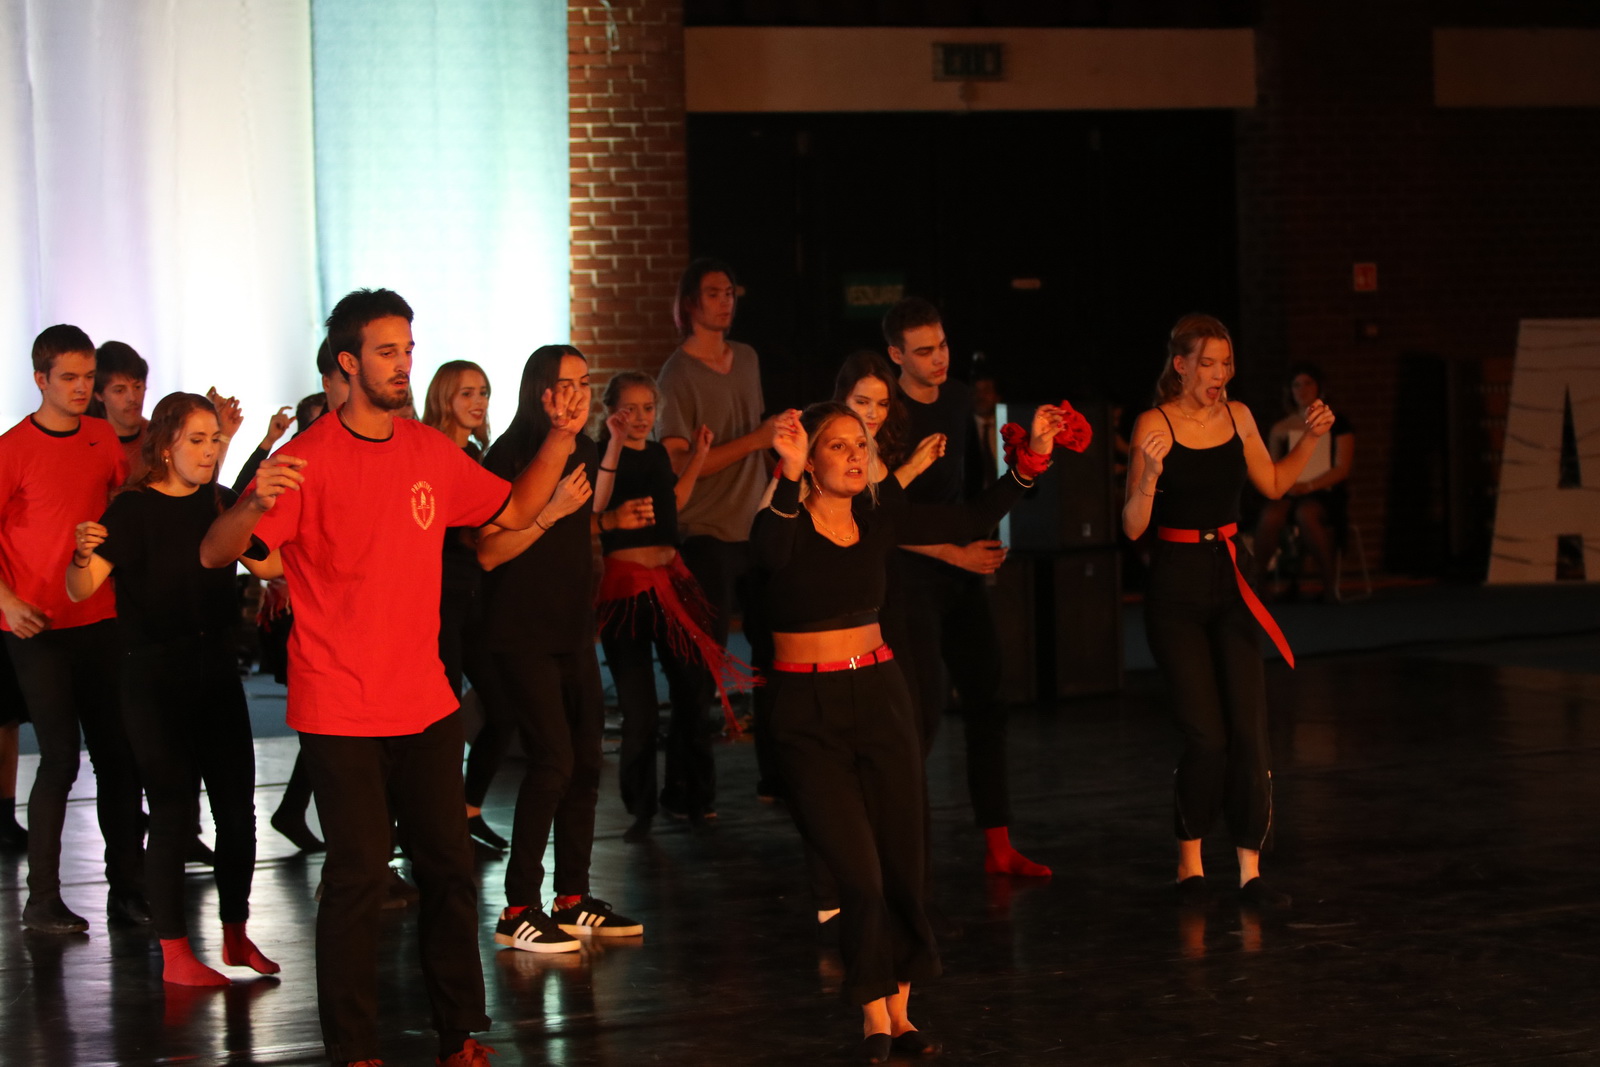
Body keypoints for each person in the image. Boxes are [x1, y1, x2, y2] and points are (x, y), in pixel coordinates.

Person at [200, 288, 580, 1067]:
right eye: (386, 351)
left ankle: (460, 1033)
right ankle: (354, 1047)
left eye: (407, 348)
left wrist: (560, 438)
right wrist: (253, 500)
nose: (403, 363)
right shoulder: (306, 458)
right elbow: (219, 551)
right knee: (358, 878)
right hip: (339, 704)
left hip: (425, 701)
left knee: (449, 871)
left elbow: (511, 513)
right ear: (348, 362)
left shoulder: (427, 450)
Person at [752, 399, 1063, 1062]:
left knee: (901, 863)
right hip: (806, 713)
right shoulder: (782, 517)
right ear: (810, 458)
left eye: (859, 444)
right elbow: (770, 553)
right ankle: (872, 1013)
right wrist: (788, 471)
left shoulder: (878, 514)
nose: (854, 453)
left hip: (880, 696)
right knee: (858, 874)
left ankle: (896, 1013)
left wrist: (1030, 461)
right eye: (837, 444)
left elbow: (968, 518)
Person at [67, 392, 283, 985]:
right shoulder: (132, 510)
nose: (210, 450)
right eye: (197, 440)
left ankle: (236, 933)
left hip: (216, 674)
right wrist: (81, 555)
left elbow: (267, 562)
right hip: (153, 678)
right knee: (171, 811)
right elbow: (80, 588)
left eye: (215, 440)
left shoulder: (218, 501)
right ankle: (175, 954)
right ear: (164, 446)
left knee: (237, 812)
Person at [1122, 314, 1334, 909]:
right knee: (1206, 736)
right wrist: (1150, 476)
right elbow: (1133, 525)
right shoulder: (1154, 423)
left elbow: (1273, 485)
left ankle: (1249, 869)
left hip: (1233, 579)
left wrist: (1310, 438)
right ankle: (1189, 860)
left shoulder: (1239, 416)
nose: (1220, 374)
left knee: (1249, 730)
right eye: (1208, 363)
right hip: (1176, 588)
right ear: (1181, 365)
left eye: (1227, 363)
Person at [476, 345, 650, 953]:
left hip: (572, 630)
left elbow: (587, 519)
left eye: (584, 382)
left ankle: (572, 898)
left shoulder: (581, 448)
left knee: (585, 761)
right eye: (566, 384)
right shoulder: (510, 454)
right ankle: (517, 907)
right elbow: (489, 551)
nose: (579, 394)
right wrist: (548, 513)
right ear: (541, 392)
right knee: (551, 761)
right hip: (519, 632)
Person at [883, 297, 1050, 878]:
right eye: (924, 351)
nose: (939, 359)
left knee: (989, 699)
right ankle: (900, 854)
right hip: (908, 576)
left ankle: (999, 843)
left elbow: (972, 487)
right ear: (896, 355)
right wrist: (955, 550)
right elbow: (884, 520)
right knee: (922, 717)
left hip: (960, 568)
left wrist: (980, 539)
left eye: (943, 346)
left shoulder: (956, 398)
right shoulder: (887, 411)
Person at [0, 325, 148, 935]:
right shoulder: (12, 449)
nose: (81, 388)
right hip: (37, 624)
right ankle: (42, 899)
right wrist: (7, 602)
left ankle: (128, 891)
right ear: (41, 379)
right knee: (59, 757)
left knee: (118, 755)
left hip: (99, 617)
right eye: (69, 378)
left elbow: (126, 498)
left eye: (88, 378)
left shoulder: (100, 436)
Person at [593, 371, 749, 840]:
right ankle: (640, 809)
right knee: (639, 710)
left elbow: (672, 503)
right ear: (611, 411)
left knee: (692, 690)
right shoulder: (602, 455)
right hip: (626, 590)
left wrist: (698, 456)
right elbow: (596, 506)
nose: (641, 417)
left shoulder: (659, 454)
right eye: (631, 408)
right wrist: (615, 445)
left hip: (670, 580)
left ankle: (693, 796)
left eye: (648, 408)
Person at [657, 258, 784, 798]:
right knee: (699, 667)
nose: (725, 301)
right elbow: (677, 462)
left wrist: (777, 455)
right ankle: (689, 788)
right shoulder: (676, 374)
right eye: (713, 293)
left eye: (730, 292)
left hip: (756, 525)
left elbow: (759, 440)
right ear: (689, 303)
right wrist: (757, 440)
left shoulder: (747, 358)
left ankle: (777, 776)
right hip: (705, 530)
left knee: (775, 653)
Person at [420, 360, 507, 850]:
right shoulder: (425, 452)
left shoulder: (476, 455)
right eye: (467, 393)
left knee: (503, 709)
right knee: (443, 720)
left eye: (484, 392)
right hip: (434, 603)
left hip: (472, 598)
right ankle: (435, 826)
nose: (478, 402)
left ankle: (468, 810)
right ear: (444, 398)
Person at [1250, 363, 1355, 601]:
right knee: (1271, 515)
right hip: (1289, 489)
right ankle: (1258, 584)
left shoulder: (1338, 424)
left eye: (1308, 383)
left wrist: (1308, 486)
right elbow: (1271, 468)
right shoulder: (1281, 427)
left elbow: (1342, 468)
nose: (1302, 389)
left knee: (1306, 513)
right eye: (1296, 385)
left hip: (1324, 492)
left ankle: (1329, 586)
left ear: (1319, 387)